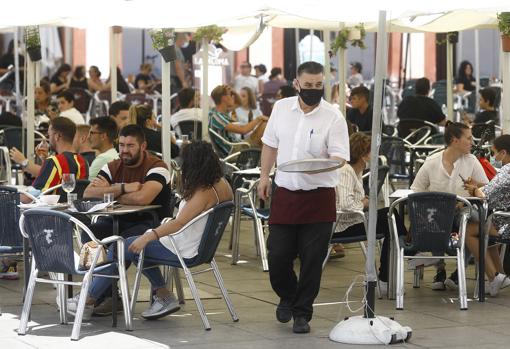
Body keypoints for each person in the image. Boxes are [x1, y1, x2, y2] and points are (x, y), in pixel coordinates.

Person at [67, 140, 232, 320]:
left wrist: (149, 237)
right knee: (135, 247)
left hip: (184, 248)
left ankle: (86, 299)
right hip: (200, 247)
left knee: (122, 248)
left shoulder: (204, 192)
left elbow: (179, 223)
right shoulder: (222, 184)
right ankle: (162, 295)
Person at [257, 61, 350, 333]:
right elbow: (270, 144)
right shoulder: (281, 108)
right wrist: (264, 176)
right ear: (297, 83)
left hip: (319, 196)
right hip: (285, 191)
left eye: (318, 85)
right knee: (277, 255)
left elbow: (340, 157)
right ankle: (288, 294)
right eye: (308, 85)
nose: (313, 90)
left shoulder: (333, 116)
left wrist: (321, 164)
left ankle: (302, 313)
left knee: (312, 259)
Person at [411, 122, 489, 291]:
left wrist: (475, 187)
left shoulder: (471, 161)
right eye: (468, 138)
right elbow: (416, 190)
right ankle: (440, 270)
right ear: (455, 140)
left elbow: (486, 188)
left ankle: (459, 272)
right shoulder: (432, 162)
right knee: (432, 218)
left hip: (463, 213)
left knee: (473, 220)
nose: (472, 142)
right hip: (437, 215)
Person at [335, 133, 407, 294]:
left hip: (353, 220)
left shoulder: (355, 171)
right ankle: (407, 254)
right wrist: (364, 203)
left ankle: (388, 275)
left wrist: (362, 201)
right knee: (390, 216)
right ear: (364, 155)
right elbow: (346, 205)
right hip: (344, 225)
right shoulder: (346, 171)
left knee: (391, 218)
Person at [83, 125, 172, 241]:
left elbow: (142, 199)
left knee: (122, 242)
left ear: (143, 146)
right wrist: (123, 188)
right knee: (88, 235)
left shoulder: (157, 167)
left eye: (130, 146)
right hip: (117, 220)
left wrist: (109, 192)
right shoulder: (112, 167)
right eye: (121, 145)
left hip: (150, 222)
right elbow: (88, 194)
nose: (124, 150)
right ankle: (103, 259)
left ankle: (109, 257)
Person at [465, 134, 510, 296]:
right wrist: (478, 185)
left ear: (503, 153)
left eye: (494, 153)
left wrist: (473, 189)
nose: (493, 158)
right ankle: (500, 276)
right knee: (487, 238)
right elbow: (497, 186)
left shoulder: (507, 169)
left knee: (469, 230)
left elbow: (485, 195)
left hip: (505, 224)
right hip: (504, 220)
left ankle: (494, 277)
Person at [10, 117, 89, 203]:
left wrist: (10, 197)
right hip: (73, 212)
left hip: (50, 213)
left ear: (57, 136)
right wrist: (45, 161)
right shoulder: (84, 162)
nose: (48, 139)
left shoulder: (55, 162)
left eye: (49, 135)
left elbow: (32, 197)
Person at [208, 84, 267, 157]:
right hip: (233, 151)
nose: (233, 97)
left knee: (264, 130)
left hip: (237, 146)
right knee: (264, 125)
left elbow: (240, 103)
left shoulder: (218, 112)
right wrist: (259, 118)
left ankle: (264, 161)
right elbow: (243, 130)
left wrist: (233, 91)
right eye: (230, 95)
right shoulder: (217, 117)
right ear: (224, 98)